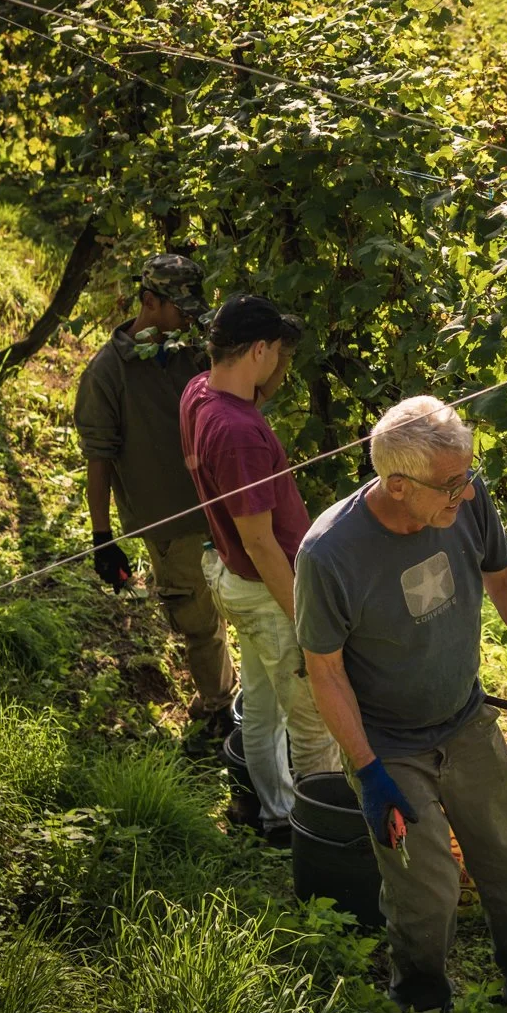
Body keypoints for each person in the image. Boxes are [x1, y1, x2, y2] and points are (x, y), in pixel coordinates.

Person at [295, 394, 507, 1013]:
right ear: (398, 485)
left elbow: (505, 580)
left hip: (465, 718)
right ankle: (422, 1003)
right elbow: (326, 671)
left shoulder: (462, 505)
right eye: (454, 484)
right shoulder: (329, 555)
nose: (470, 495)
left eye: (469, 475)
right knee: (427, 889)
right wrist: (368, 770)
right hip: (391, 745)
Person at [180, 294, 337, 845]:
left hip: (232, 579)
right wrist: (307, 619)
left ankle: (275, 817)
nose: (281, 371)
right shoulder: (240, 433)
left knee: (264, 708)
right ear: (259, 349)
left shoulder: (200, 392)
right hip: (267, 588)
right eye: (277, 355)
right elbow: (261, 541)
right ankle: (320, 831)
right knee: (314, 721)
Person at [74, 253, 236, 743]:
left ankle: (221, 692)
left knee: (236, 609)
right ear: (148, 301)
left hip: (222, 507)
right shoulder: (107, 373)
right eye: (178, 307)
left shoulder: (190, 350)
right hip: (171, 521)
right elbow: (99, 459)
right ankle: (219, 714)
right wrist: (103, 538)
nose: (187, 316)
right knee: (197, 620)